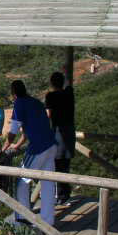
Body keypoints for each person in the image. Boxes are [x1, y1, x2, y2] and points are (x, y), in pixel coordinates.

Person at [3, 80, 58, 227]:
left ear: (13, 93)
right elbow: (28, 130)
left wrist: (5, 147)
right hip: (51, 144)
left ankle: (22, 218)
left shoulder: (19, 103)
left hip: (39, 148)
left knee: (21, 181)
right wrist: (19, 145)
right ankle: (48, 221)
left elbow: (14, 130)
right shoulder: (35, 102)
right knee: (47, 183)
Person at [45, 70, 76, 206]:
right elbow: (69, 84)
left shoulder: (50, 96)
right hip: (69, 133)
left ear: (51, 83)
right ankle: (65, 195)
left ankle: (59, 196)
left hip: (57, 133)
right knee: (65, 165)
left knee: (56, 166)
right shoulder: (69, 93)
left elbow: (48, 115)